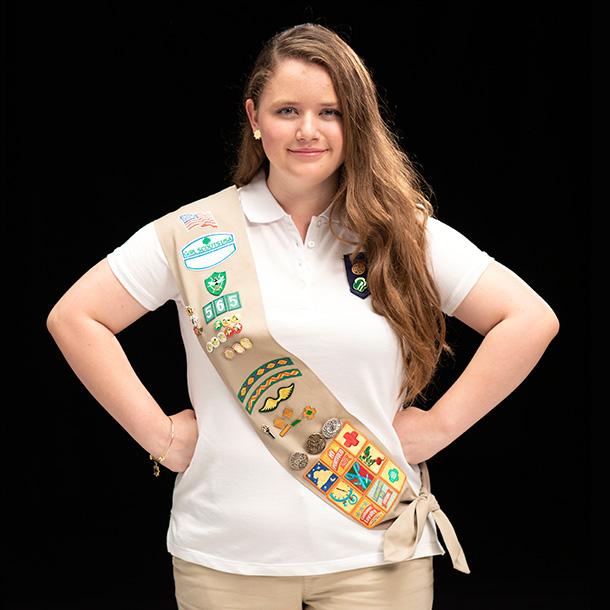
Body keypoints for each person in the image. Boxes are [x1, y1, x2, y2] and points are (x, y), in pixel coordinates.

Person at [47, 23, 559, 610]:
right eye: (287, 110)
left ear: (355, 123)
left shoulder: (401, 235)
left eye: (331, 112)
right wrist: (158, 436)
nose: (309, 130)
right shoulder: (194, 233)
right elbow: (76, 316)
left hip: (378, 554)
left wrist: (438, 428)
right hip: (226, 557)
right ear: (255, 117)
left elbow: (528, 319)